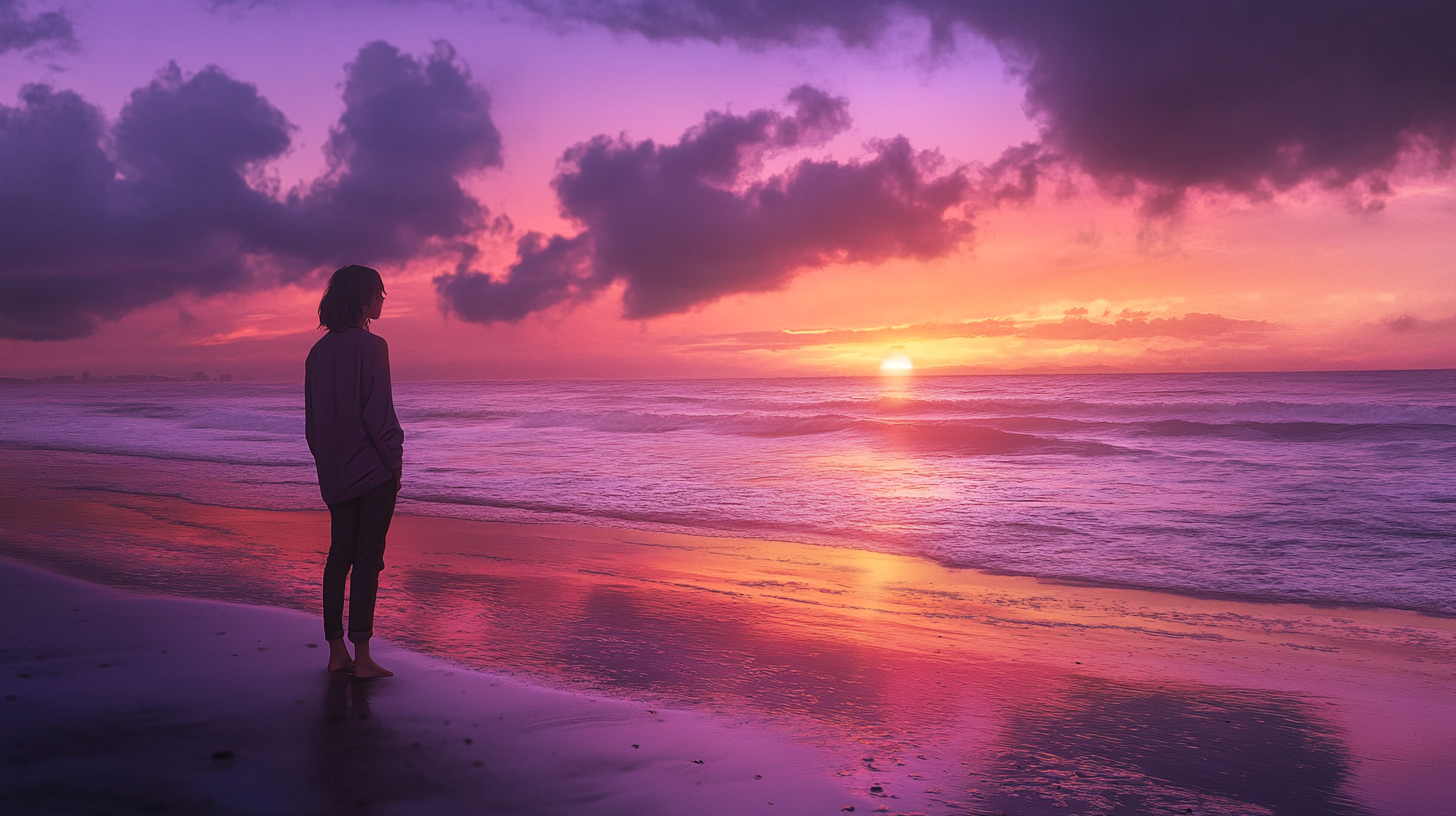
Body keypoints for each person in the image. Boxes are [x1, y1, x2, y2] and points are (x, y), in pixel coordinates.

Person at [305, 265, 403, 678]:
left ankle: (334, 652)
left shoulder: (317, 353)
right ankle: (362, 657)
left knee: (337, 558)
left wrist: (327, 467)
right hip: (373, 472)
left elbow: (314, 423)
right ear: (363, 297)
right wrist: (394, 463)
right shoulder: (372, 346)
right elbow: (379, 416)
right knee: (367, 562)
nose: (383, 299)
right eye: (379, 293)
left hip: (335, 473)